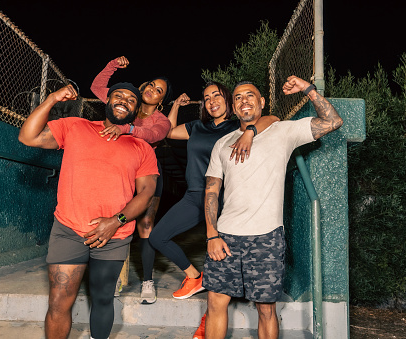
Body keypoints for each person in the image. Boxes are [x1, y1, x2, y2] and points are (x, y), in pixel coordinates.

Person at [202, 76, 343, 339]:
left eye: (250, 95)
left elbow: (332, 122)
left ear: (262, 102)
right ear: (233, 108)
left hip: (266, 237)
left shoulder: (283, 131)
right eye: (238, 97)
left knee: (266, 309)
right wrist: (212, 234)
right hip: (226, 236)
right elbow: (211, 190)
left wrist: (308, 90)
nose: (244, 100)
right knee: (215, 303)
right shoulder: (222, 144)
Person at [18, 83, 158, 339]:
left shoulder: (142, 148)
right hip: (69, 229)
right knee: (59, 302)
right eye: (118, 95)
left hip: (114, 236)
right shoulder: (76, 126)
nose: (124, 99)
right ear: (107, 100)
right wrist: (51, 100)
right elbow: (27, 137)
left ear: (136, 110)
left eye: (131, 99)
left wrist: (116, 221)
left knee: (103, 299)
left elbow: (147, 193)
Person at [148, 82, 279, 307]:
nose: (211, 101)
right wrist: (177, 105)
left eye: (216, 96)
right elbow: (167, 132)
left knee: (222, 259)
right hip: (194, 195)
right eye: (207, 98)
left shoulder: (236, 127)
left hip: (227, 198)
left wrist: (249, 132)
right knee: (157, 236)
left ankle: (210, 317)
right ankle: (194, 277)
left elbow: (274, 119)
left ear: (229, 100)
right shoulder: (197, 127)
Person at [90, 56, 172, 304]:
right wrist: (112, 65)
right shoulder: (126, 103)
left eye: (159, 91)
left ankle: (147, 281)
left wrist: (128, 129)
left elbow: (154, 134)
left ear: (161, 100)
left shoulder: (161, 120)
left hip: (147, 171)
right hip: (119, 168)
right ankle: (114, 277)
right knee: (115, 221)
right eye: (150, 85)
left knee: (145, 226)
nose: (152, 90)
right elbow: (96, 88)